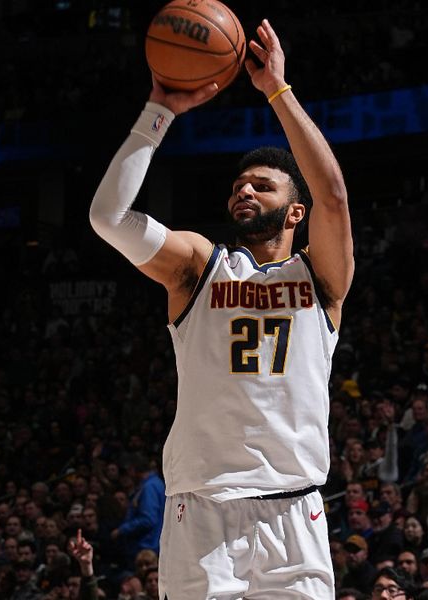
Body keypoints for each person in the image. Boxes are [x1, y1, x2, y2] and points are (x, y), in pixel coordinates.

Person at [88, 18, 353, 600]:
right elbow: (107, 218)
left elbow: (332, 193)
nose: (245, 190)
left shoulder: (320, 278)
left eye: (262, 185)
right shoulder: (200, 267)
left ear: (294, 214)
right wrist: (158, 110)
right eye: (239, 185)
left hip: (295, 509)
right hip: (203, 510)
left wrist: (277, 92)